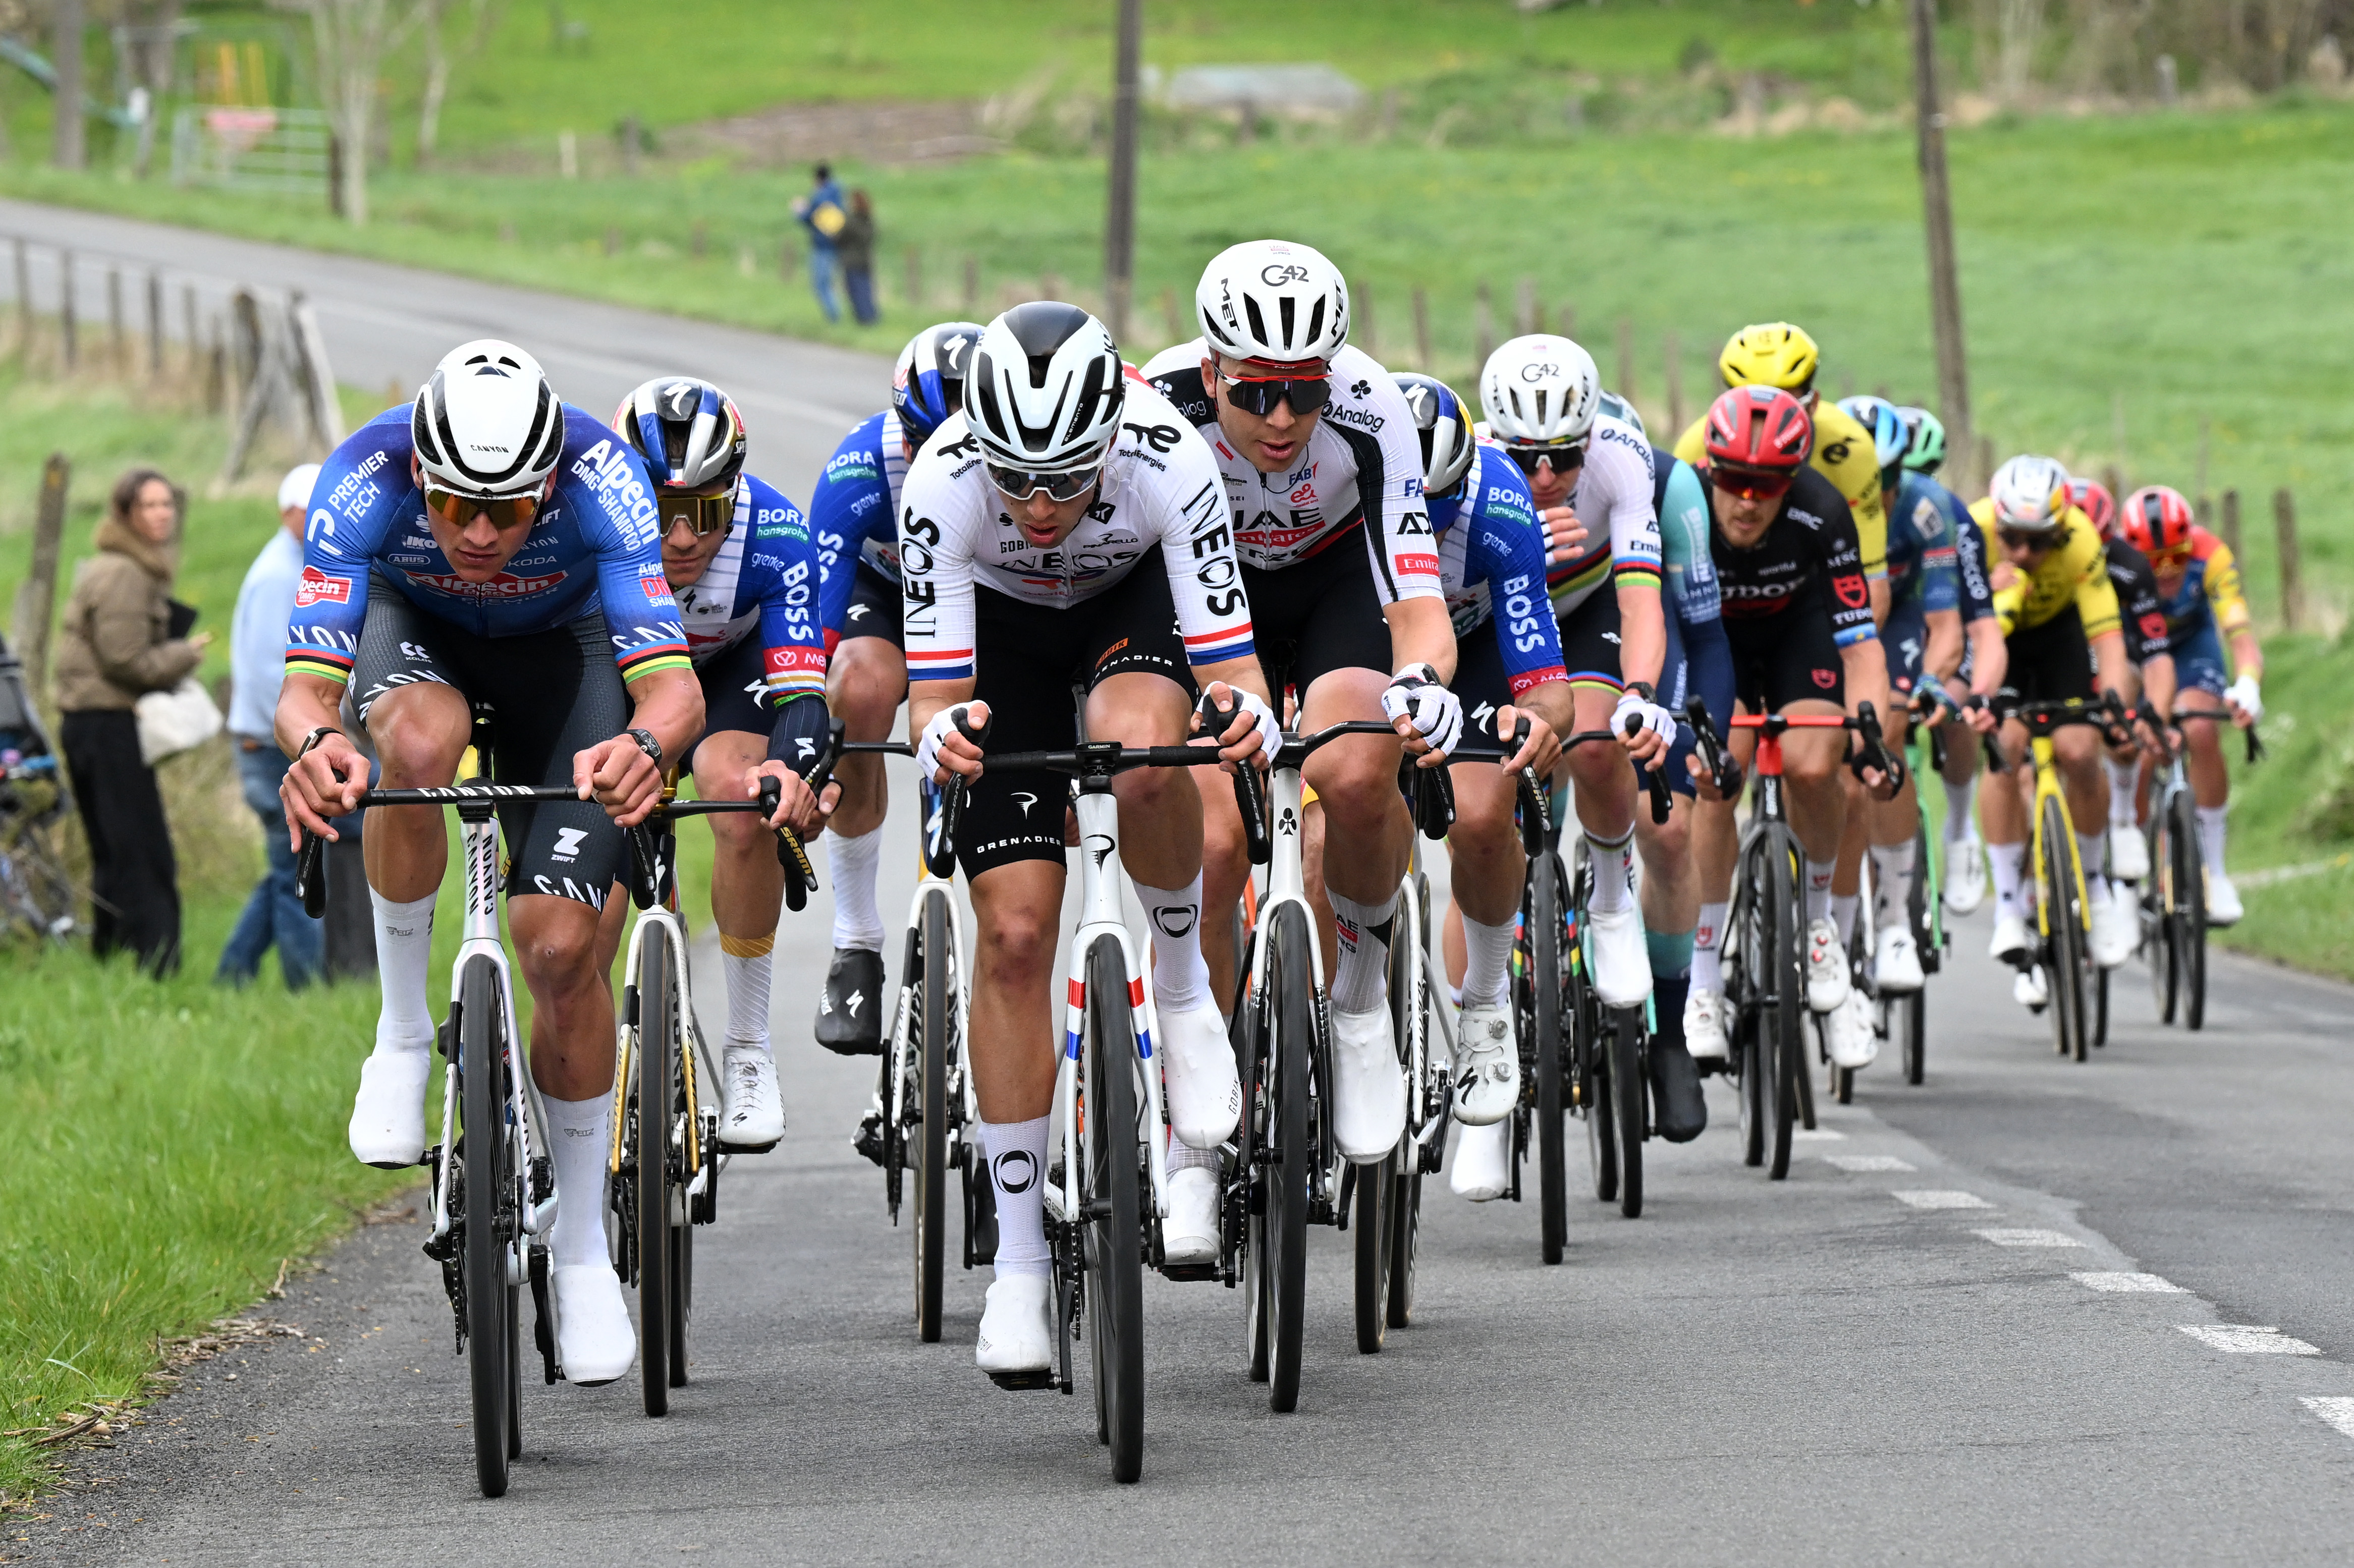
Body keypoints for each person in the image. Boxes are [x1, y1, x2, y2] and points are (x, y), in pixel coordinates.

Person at [277, 340, 783, 1389]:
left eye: (507, 512)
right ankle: (403, 1039)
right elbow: (303, 691)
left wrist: (645, 750)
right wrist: (315, 747)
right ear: (421, 474)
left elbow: (674, 691)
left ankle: (587, 1246)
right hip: (415, 642)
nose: (477, 533)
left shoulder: (603, 483)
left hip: (569, 655)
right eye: (457, 506)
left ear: (547, 482)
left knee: (557, 952)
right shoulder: (363, 478)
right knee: (413, 750)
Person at [898, 301, 1273, 1380]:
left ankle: (1184, 993)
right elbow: (941, 697)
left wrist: (1243, 717)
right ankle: (1019, 1264)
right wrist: (943, 745)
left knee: (1147, 746)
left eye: (1067, 477)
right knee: (1014, 934)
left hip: (1128, 610)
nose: (1042, 503)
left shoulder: (1169, 455)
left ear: (1111, 433)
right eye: (1017, 480)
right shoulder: (943, 483)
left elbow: (1231, 671)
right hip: (1001, 638)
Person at [1141, 239, 1461, 1174]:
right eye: (1254, 393)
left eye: (1304, 392)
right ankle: (1194, 1127)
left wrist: (1425, 688)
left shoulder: (1373, 407)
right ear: (1211, 372)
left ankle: (1359, 1010)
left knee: (1359, 766)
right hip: (1204, 592)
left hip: (1329, 590)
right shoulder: (1159, 407)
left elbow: (1418, 601)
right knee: (1210, 835)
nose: (1282, 418)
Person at [606, 376, 831, 1150]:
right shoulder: (591, 527)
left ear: (734, 494)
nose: (680, 540)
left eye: (704, 513)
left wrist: (791, 771)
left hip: (730, 681)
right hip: (625, 687)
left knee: (738, 799)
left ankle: (747, 1052)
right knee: (588, 894)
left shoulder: (775, 531)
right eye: (664, 513)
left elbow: (807, 697)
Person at [1383, 373, 1575, 1202]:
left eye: (1441, 508)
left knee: (1488, 811)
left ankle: (1487, 1005)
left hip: (1478, 656)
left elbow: (1545, 685)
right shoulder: (1339, 493)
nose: (1426, 530)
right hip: (1369, 643)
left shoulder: (1501, 504)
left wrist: (1538, 725)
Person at [1682, 387, 1898, 1069]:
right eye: (1735, 481)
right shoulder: (1682, 506)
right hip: (1716, 642)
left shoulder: (1822, 510)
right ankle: (1705, 979)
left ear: (1792, 480)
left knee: (1815, 763)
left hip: (1797, 637)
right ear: (1711, 470)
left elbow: (1862, 646)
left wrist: (1870, 732)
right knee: (1717, 781)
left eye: (1767, 484)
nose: (1748, 500)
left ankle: (1820, 931)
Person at [1476, 334, 1676, 1022]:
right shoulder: (1466, 464)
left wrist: (1641, 697)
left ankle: (1615, 897)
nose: (1542, 477)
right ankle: (1475, 1016)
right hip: (1498, 614)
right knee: (1484, 821)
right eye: (1521, 459)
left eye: (1562, 458)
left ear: (1589, 439)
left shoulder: (1622, 459)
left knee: (1596, 742)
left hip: (1587, 607)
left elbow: (1640, 601)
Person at [809, 320, 983, 1056]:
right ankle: (855, 936)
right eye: (922, 441)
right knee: (857, 686)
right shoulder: (858, 469)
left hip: (984, 596)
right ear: (898, 427)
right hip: (888, 600)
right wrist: (805, 741)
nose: (939, 461)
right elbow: (813, 632)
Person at [1965, 455, 2139, 1001]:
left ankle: (2094, 887)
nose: (2025, 554)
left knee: (2081, 749)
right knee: (2006, 747)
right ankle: (2011, 906)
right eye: (2013, 539)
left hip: (2061, 635)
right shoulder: (1971, 533)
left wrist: (2112, 706)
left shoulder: (2083, 540)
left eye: (2040, 542)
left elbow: (2108, 640)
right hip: (1999, 635)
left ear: (2062, 530)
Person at [56, 467, 207, 977]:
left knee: (113, 849)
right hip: (107, 726)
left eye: (167, 504)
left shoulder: (118, 566)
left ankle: (111, 959)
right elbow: (126, 660)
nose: (162, 514)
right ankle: (159, 968)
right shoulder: (125, 572)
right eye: (149, 506)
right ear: (125, 514)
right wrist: (184, 654)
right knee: (145, 853)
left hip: (87, 723)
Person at [1673, 323, 1891, 624]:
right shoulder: (1695, 447)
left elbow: (1871, 579)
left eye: (1786, 403)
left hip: (1806, 598)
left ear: (1813, 404)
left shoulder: (1849, 449)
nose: (1766, 421)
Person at [2121, 484, 2259, 924]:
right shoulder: (2115, 566)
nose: (2165, 573)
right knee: (2139, 748)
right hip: (2137, 652)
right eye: (2153, 563)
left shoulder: (2212, 557)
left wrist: (2247, 686)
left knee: (2200, 729)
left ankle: (2214, 872)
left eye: (2176, 558)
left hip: (2191, 649)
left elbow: (2241, 638)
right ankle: (2130, 862)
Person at [216, 463, 326, 989]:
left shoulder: (297, 565)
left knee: (285, 868)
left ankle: (232, 973)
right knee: (294, 868)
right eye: (310, 512)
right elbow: (267, 678)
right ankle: (305, 985)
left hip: (270, 742)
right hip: (268, 745)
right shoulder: (279, 576)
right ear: (288, 513)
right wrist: (304, 744)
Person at [2072, 475, 2176, 885]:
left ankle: (2121, 819)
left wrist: (2154, 716)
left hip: (2113, 648)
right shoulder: (2037, 554)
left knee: (2126, 691)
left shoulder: (2130, 567)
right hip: (2057, 648)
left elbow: (2156, 654)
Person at [791, 163, 848, 324]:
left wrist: (799, 210)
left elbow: (809, 218)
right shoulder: (838, 194)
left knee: (821, 283)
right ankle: (835, 315)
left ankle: (834, 317)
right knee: (830, 283)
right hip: (837, 245)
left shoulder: (820, 197)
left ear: (818, 179)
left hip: (822, 247)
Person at [839, 190, 879, 326]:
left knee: (855, 291)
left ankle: (864, 320)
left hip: (852, 261)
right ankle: (871, 318)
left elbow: (839, 238)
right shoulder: (869, 220)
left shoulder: (851, 221)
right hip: (865, 260)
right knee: (866, 291)